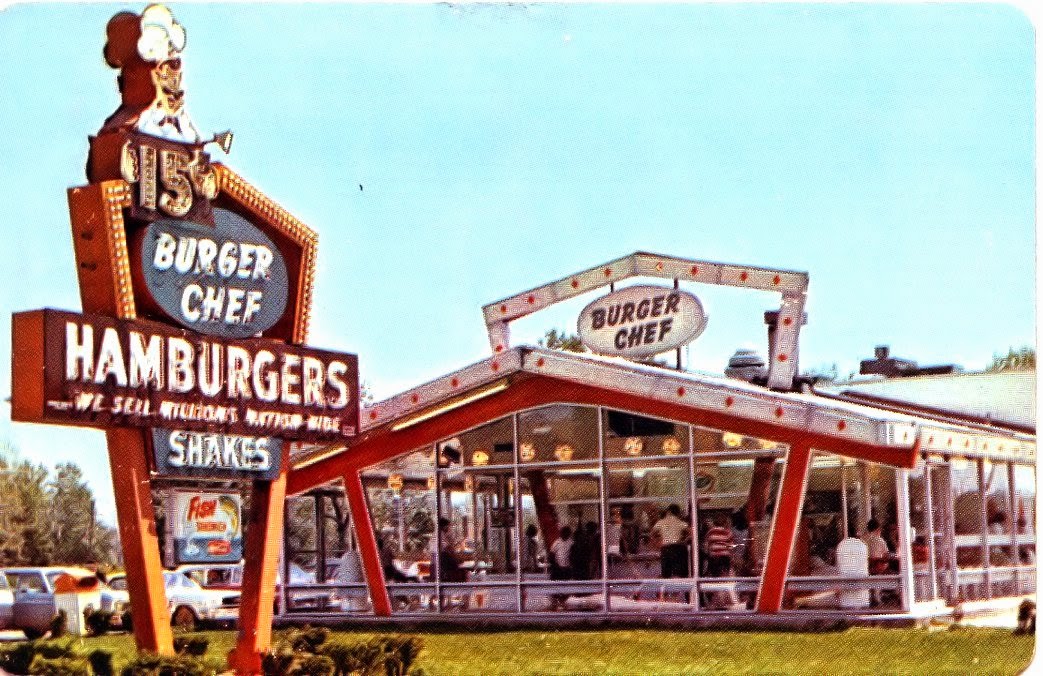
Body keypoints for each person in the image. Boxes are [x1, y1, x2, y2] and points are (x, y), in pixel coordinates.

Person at [652, 505, 690, 579]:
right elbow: (691, 532)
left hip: (666, 548)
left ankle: (667, 585)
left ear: (668, 512)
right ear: (677, 513)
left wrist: (657, 543)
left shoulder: (661, 522)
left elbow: (652, 533)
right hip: (678, 547)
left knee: (666, 574)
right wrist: (685, 540)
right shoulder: (680, 522)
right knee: (680, 573)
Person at [548, 526, 574, 610]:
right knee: (556, 585)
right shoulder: (557, 542)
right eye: (563, 533)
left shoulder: (571, 543)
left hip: (567, 568)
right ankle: (555, 602)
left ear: (569, 534)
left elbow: (573, 555)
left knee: (566, 586)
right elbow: (551, 554)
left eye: (567, 533)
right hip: (558, 568)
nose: (564, 534)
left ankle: (563, 601)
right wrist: (554, 565)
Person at [705, 514, 735, 578]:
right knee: (725, 574)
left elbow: (707, 545)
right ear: (725, 522)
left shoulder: (710, 532)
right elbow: (731, 547)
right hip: (725, 556)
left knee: (714, 575)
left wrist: (709, 553)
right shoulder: (728, 532)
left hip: (714, 556)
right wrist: (732, 557)